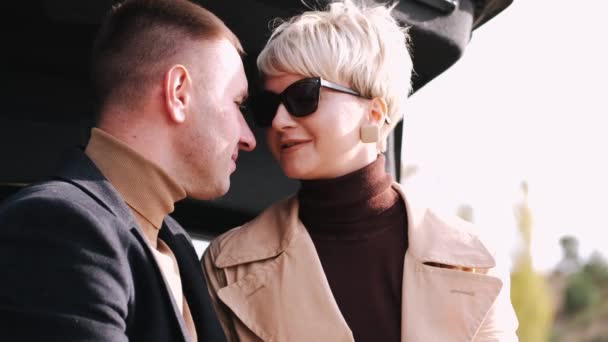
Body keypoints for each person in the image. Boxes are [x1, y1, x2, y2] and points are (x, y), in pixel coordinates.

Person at [201, 1, 518, 341]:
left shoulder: (473, 258)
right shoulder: (228, 265)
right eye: (268, 106)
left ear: (373, 112)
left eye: (303, 96)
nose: (279, 122)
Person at [0, 0, 255, 341]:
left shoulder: (175, 243)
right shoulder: (60, 223)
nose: (249, 138)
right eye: (237, 104)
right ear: (178, 93)